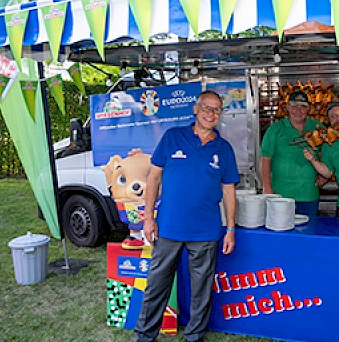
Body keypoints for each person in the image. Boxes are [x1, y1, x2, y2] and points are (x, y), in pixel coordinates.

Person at [134, 90, 239, 342]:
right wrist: (148, 217)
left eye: (216, 109)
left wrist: (231, 229)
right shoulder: (173, 137)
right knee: (157, 284)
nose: (210, 113)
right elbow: (153, 178)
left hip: (206, 230)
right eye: (206, 107)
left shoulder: (224, 148)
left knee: (201, 289)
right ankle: (144, 335)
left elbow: (229, 191)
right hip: (169, 227)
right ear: (195, 109)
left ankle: (195, 336)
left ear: (220, 115)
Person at [259, 91, 323, 216]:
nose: (298, 111)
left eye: (303, 107)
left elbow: (327, 154)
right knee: (281, 231)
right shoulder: (275, 129)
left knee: (308, 230)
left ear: (309, 108)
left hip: (308, 194)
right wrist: (266, 187)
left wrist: (324, 175)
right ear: (287, 107)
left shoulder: (318, 127)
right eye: (294, 107)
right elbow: (265, 158)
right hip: (280, 195)